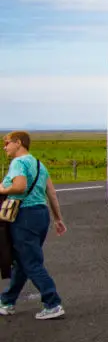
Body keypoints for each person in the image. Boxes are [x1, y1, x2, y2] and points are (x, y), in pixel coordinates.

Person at [0, 131, 67, 320]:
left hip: (24, 216)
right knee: (23, 261)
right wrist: (58, 219)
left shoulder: (18, 163)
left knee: (31, 261)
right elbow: (51, 194)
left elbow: (19, 187)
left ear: (18, 143)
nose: (5, 147)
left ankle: (52, 303)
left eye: (7, 143)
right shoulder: (39, 164)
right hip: (40, 214)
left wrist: (2, 188)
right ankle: (7, 301)